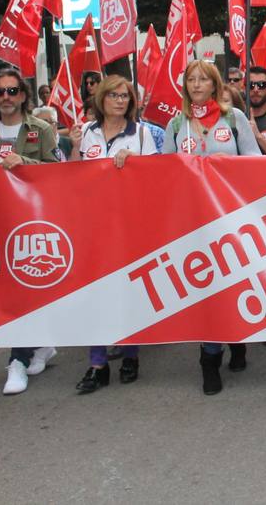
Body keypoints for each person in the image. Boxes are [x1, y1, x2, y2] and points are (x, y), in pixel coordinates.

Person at [162, 59, 261, 394]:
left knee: (233, 282)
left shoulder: (234, 119)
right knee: (205, 286)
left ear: (215, 85)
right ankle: (209, 355)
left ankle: (237, 340)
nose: (197, 84)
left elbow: (254, 163)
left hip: (230, 216)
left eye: (203, 79)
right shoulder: (177, 125)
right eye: (191, 79)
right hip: (194, 221)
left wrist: (226, 166)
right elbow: (162, 172)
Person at [0, 69, 60, 393]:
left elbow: (59, 173)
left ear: (23, 95)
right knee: (10, 289)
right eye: (0, 91)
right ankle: (38, 345)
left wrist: (25, 164)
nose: (6, 97)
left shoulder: (42, 129)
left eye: (12, 90)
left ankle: (17, 359)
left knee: (27, 287)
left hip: (32, 221)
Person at [68, 76, 158, 393]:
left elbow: (155, 178)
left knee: (126, 292)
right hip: (91, 225)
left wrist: (135, 163)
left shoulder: (142, 134)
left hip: (128, 225)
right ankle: (97, 364)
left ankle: (131, 354)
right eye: (114, 95)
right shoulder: (87, 132)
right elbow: (70, 176)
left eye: (125, 96)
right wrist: (76, 146)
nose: (120, 101)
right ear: (102, 99)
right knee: (94, 295)